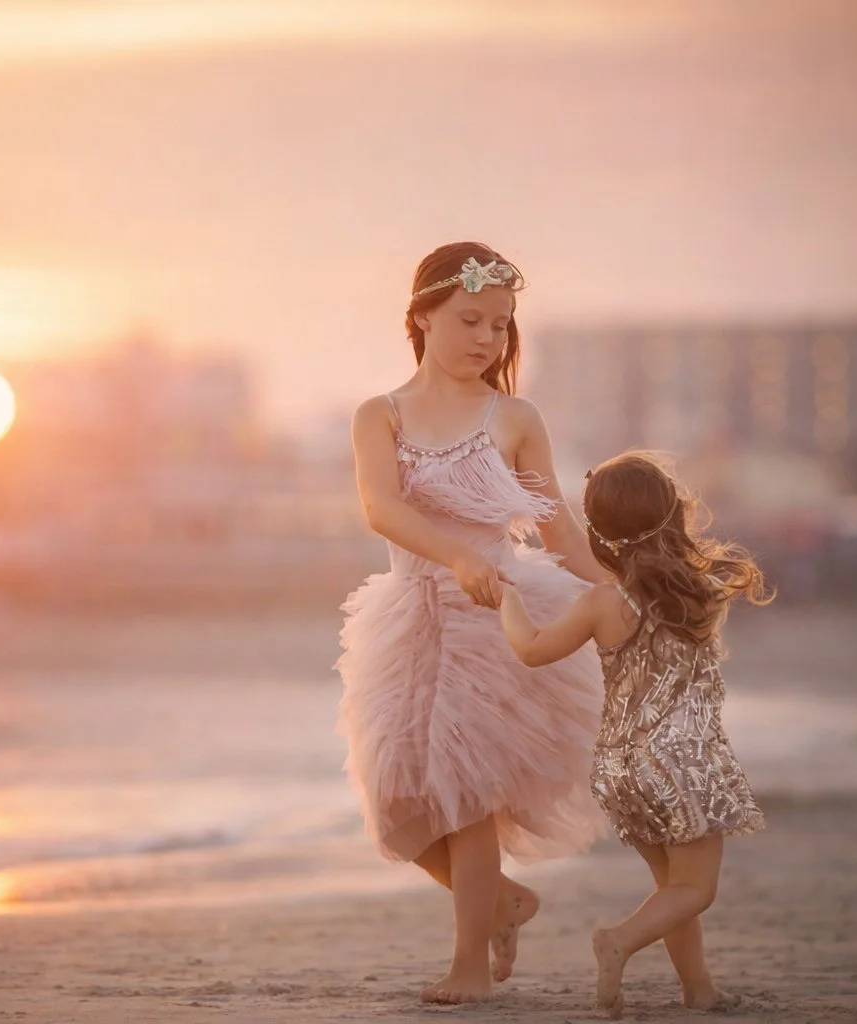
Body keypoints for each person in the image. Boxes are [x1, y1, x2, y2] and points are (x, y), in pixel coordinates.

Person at [337, 241, 609, 1004]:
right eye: (470, 320)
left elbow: (558, 530)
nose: (487, 339)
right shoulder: (380, 415)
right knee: (396, 804)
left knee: (467, 793)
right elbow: (380, 508)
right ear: (422, 316)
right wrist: (455, 555)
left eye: (500, 326)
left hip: (497, 620)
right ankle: (502, 901)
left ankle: (467, 968)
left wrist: (621, 587)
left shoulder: (513, 416)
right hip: (410, 614)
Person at [497, 451, 771, 1018]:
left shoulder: (602, 602)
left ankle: (699, 990)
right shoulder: (697, 590)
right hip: (684, 764)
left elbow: (531, 650)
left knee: (671, 889)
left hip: (621, 768)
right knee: (695, 890)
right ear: (674, 516)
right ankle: (617, 940)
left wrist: (508, 601)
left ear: (599, 532)